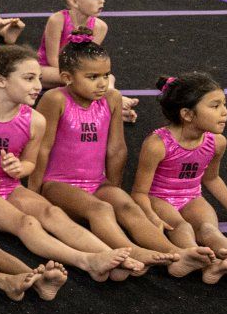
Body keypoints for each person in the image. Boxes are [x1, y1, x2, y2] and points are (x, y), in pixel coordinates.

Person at [0, 45, 133, 288]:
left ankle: (110, 256)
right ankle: (86, 260)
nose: (38, 86)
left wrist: (20, 168)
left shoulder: (34, 120)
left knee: (53, 213)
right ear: (0, 80)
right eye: (29, 79)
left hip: (10, 186)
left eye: (39, 78)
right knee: (26, 223)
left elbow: (30, 162)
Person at [34, 40, 183, 268]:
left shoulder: (112, 98)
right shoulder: (55, 99)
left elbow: (116, 148)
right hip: (58, 183)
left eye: (106, 75)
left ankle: (177, 253)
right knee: (100, 209)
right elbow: (41, 148)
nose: (102, 83)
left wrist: (113, 187)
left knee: (127, 205)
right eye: (93, 77)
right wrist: (34, 193)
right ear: (67, 77)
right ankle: (133, 251)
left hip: (97, 182)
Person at [131, 72, 227, 282]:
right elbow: (139, 192)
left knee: (209, 230)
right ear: (188, 114)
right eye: (215, 106)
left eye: (224, 104)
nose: (225, 112)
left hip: (191, 196)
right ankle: (194, 256)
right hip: (160, 197)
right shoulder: (157, 145)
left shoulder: (217, 142)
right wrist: (151, 215)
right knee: (181, 226)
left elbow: (212, 179)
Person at [38, 0, 107, 88]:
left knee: (109, 77)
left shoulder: (100, 27)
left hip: (76, 72)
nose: (102, 1)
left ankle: (112, 97)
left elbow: (87, 58)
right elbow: (53, 59)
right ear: (74, 2)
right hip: (50, 70)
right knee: (38, 73)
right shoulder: (58, 20)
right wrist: (78, 75)